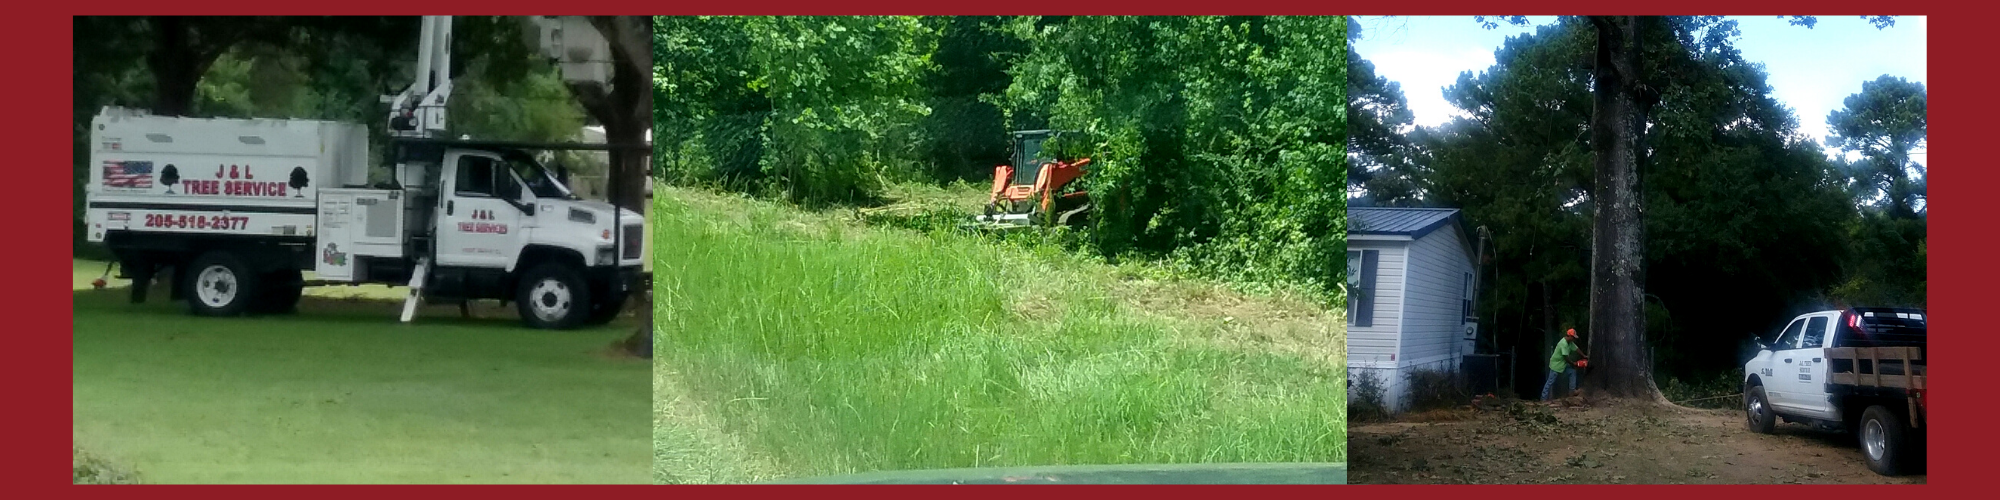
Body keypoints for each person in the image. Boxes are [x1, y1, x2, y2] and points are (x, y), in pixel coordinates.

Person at [1542, 328, 1588, 400]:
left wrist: (1584, 356)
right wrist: (1573, 363)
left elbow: (1576, 349)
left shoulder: (1570, 343)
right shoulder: (1563, 344)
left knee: (1572, 372)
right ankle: (1543, 398)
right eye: (1573, 337)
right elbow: (1565, 357)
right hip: (1556, 365)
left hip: (1562, 365)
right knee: (1550, 382)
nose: (1573, 339)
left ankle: (1572, 392)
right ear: (1569, 336)